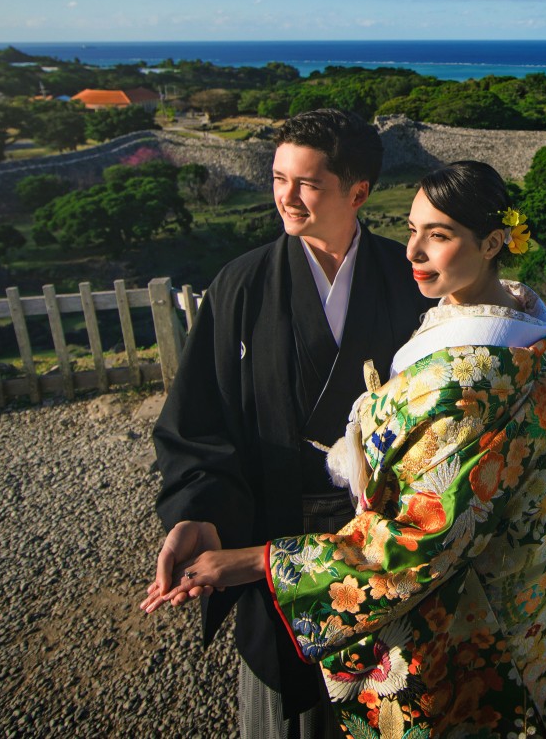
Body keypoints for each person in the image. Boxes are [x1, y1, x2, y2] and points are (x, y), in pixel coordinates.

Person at [145, 160, 546, 738]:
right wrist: (201, 507)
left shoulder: (470, 383)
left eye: (437, 235)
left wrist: (256, 562)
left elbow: (418, 542)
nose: (412, 251)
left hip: (464, 618)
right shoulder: (544, 350)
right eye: (411, 229)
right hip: (528, 607)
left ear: (491, 242)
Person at [146, 108, 434, 738]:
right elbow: (198, 423)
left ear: (358, 192)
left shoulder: (410, 282)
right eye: (278, 177)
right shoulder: (242, 286)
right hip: (271, 537)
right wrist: (200, 512)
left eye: (307, 183)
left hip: (377, 545)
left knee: (389, 697)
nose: (285, 196)